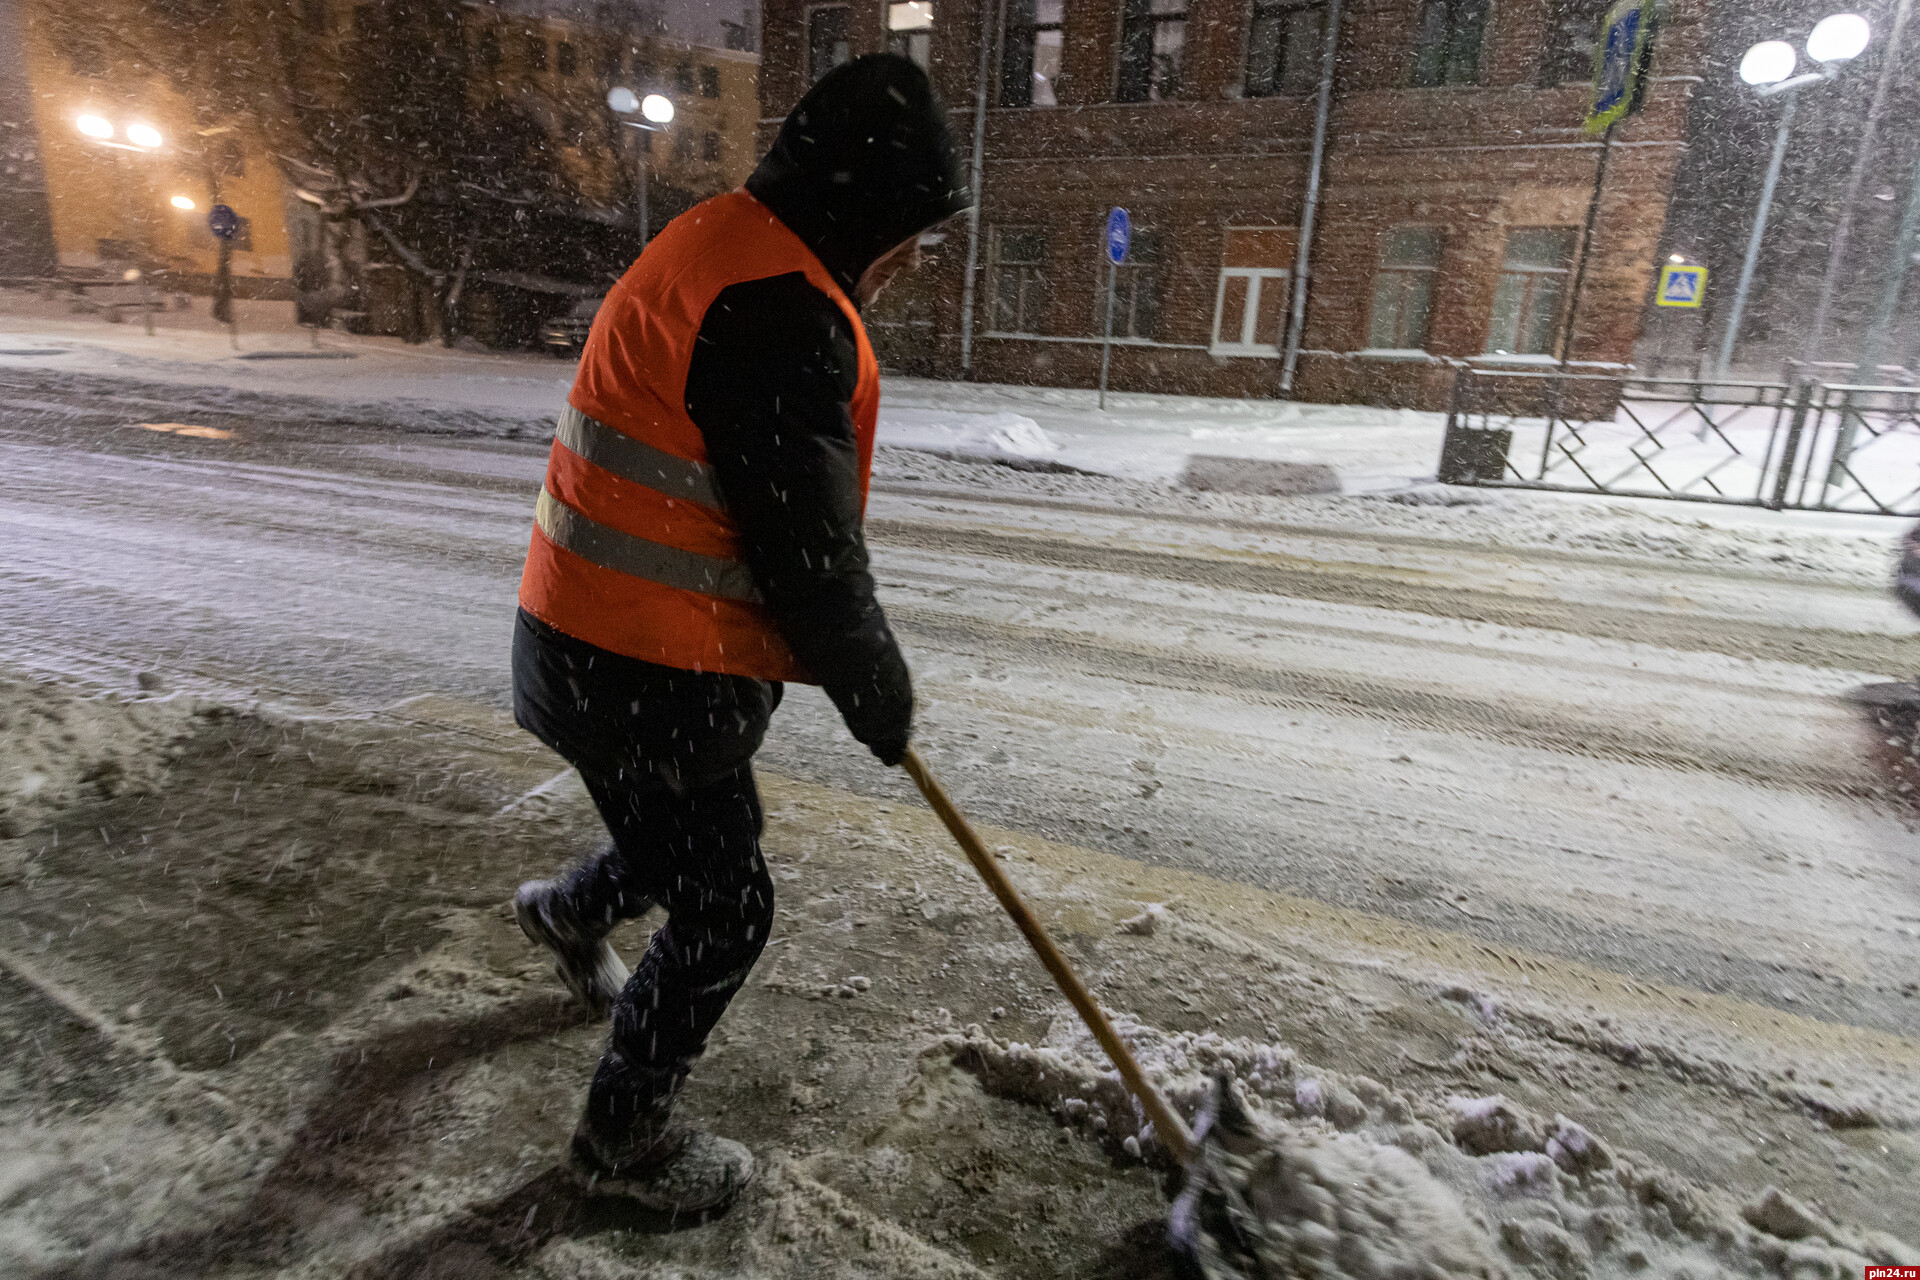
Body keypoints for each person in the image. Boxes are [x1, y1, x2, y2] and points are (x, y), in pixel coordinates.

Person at [508, 54, 970, 1214]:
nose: (913, 259)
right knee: (728, 906)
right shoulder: (780, 309)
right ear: (862, 209)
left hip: (583, 639)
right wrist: (878, 691)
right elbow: (806, 552)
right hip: (642, 667)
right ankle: (619, 1142)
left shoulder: (722, 241)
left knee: (680, 849)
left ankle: (564, 914)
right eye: (910, 230)